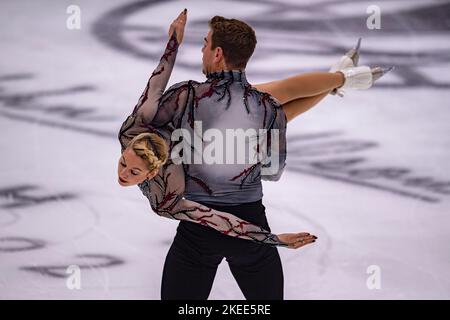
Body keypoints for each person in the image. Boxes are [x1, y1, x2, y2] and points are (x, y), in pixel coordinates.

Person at [117, 10, 389, 300]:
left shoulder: (156, 138)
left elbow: (212, 214)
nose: (123, 173)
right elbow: (270, 170)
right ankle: (342, 78)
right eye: (129, 169)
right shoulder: (244, 103)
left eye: (127, 166)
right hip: (242, 204)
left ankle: (342, 78)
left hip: (202, 219)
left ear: (217, 53)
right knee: (273, 106)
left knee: (268, 109)